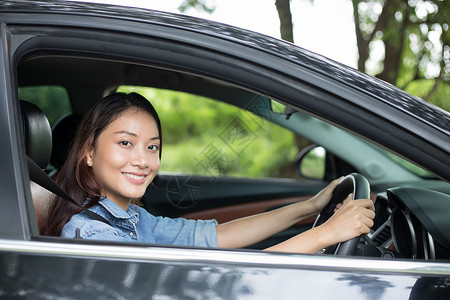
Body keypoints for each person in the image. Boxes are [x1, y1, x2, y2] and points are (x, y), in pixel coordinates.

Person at [41, 92, 375, 254]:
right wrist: (325, 234)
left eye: (152, 147)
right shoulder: (92, 236)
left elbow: (214, 237)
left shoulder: (131, 219)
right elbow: (212, 284)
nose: (143, 160)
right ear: (88, 151)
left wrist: (311, 207)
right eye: (126, 143)